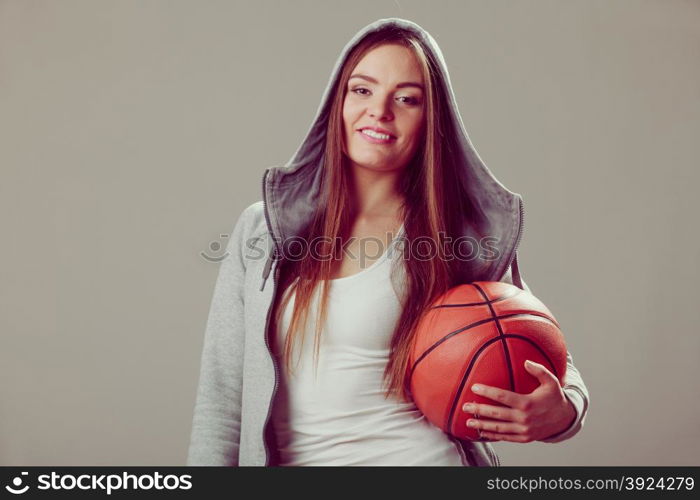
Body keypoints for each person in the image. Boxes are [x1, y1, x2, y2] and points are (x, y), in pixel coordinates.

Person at [186, 17, 589, 467]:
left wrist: (564, 410)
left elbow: (545, 345)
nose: (380, 111)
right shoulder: (263, 230)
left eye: (406, 99)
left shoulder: (452, 235)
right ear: (336, 103)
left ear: (430, 118)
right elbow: (221, 403)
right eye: (362, 90)